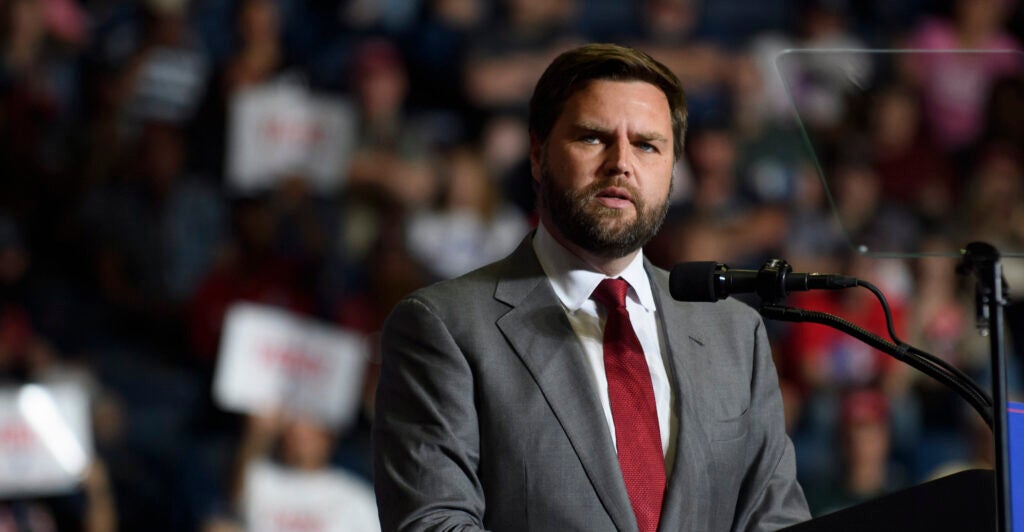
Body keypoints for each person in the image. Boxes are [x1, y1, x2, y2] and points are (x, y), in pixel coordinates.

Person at [373, 43, 809, 531]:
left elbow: (775, 519)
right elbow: (433, 524)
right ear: (538, 156)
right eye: (593, 138)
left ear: (672, 171)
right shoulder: (444, 327)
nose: (621, 163)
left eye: (647, 145)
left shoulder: (736, 333)